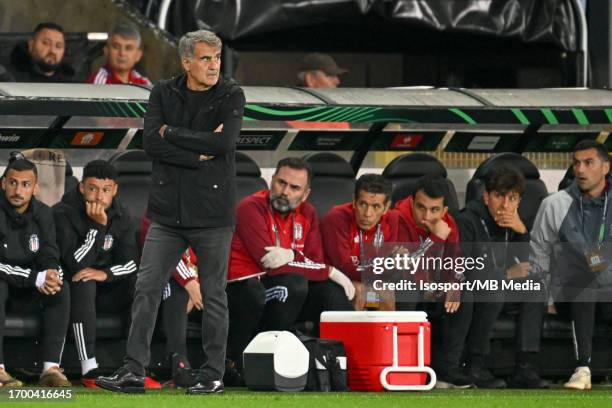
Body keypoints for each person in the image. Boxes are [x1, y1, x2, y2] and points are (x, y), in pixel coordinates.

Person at [96, 29, 245, 395]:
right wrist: (198, 153)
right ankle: (133, 371)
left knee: (214, 296)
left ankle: (212, 374)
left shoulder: (231, 93)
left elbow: (225, 142)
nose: (214, 66)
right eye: (206, 58)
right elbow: (150, 142)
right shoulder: (163, 91)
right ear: (186, 62)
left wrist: (172, 134)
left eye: (217, 58)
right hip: (167, 214)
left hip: (212, 215)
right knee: (146, 289)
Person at [226, 157, 355, 379]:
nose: (285, 191)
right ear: (272, 180)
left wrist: (296, 257)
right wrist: (329, 270)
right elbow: (270, 265)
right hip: (245, 289)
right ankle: (258, 360)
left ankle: (346, 366)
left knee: (331, 293)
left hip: (284, 288)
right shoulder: (251, 207)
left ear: (305, 194)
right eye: (281, 183)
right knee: (293, 284)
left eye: (294, 187)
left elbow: (315, 261)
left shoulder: (308, 213)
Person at [455, 166, 548, 389]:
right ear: (486, 197)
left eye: (512, 198)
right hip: (475, 292)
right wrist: (505, 275)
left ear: (519, 200)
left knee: (536, 286)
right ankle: (475, 365)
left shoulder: (513, 223)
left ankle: (524, 368)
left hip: (502, 289)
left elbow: (527, 266)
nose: (505, 205)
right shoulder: (467, 220)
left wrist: (522, 232)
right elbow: (465, 270)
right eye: (499, 196)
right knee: (492, 290)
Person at [531, 140, 612, 390]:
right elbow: (539, 252)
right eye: (577, 163)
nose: (580, 170)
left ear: (606, 167)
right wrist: (546, 298)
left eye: (589, 163)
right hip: (571, 293)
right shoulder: (554, 204)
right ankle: (582, 368)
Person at [53, 160, 139, 388]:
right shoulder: (63, 212)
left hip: (110, 287)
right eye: (93, 188)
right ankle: (88, 366)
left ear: (115, 190)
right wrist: (97, 227)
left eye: (106, 190)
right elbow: (75, 263)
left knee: (141, 284)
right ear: (82, 187)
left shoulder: (122, 215)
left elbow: (131, 263)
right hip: (73, 288)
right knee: (83, 280)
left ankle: (135, 364)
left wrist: (105, 274)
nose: (99, 197)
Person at [0, 154, 70, 387]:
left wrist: (51, 273)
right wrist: (34, 277)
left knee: (60, 287)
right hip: (5, 286)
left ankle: (51, 370)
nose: (18, 190)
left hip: (29, 288)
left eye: (25, 184)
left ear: (35, 188)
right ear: (3, 183)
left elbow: (50, 250)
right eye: (13, 183)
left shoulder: (43, 213)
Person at [394, 174, 470, 388]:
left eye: (434, 210)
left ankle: (448, 370)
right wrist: (436, 239)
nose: (426, 215)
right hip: (402, 287)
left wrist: (455, 282)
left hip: (430, 288)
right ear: (411, 202)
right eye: (421, 207)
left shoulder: (449, 224)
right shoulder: (396, 218)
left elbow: (456, 262)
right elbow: (406, 270)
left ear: (444, 211)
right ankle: (403, 367)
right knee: (407, 290)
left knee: (464, 293)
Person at [320, 173, 401, 310]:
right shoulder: (336, 218)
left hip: (368, 281)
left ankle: (386, 330)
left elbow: (388, 260)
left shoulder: (392, 219)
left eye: (376, 206)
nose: (367, 214)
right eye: (363, 204)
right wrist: (386, 267)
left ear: (386, 208)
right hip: (335, 279)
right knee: (360, 293)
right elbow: (344, 267)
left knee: (388, 292)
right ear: (354, 201)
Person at [7, 22, 75, 83]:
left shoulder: (71, 83)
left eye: (58, 46)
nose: (52, 50)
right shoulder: (10, 78)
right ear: (31, 44)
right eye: (46, 43)